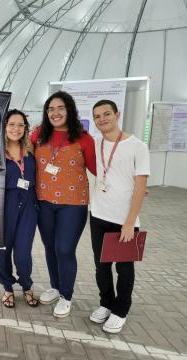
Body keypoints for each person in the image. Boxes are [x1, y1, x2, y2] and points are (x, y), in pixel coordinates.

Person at [31, 91, 96, 318]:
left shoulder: (84, 138)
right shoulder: (38, 134)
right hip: (44, 202)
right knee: (50, 247)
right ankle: (56, 286)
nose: (55, 113)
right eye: (51, 109)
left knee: (64, 249)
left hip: (73, 204)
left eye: (60, 108)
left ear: (69, 110)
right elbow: (22, 155)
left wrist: (132, 182)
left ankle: (66, 296)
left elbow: (100, 169)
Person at [89, 99, 149, 333]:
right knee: (101, 266)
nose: (102, 119)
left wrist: (129, 223)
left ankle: (120, 310)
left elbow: (140, 187)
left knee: (124, 269)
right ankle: (106, 303)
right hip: (98, 215)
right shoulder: (96, 143)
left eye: (106, 114)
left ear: (117, 114)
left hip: (124, 221)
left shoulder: (137, 146)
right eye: (97, 116)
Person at [0, 109, 39, 308]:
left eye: (21, 125)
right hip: (3, 205)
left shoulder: (31, 151)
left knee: (23, 253)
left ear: (25, 128)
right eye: (11, 124)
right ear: (4, 127)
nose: (16, 128)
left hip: (28, 205)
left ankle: (27, 285)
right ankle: (7, 287)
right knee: (2, 251)